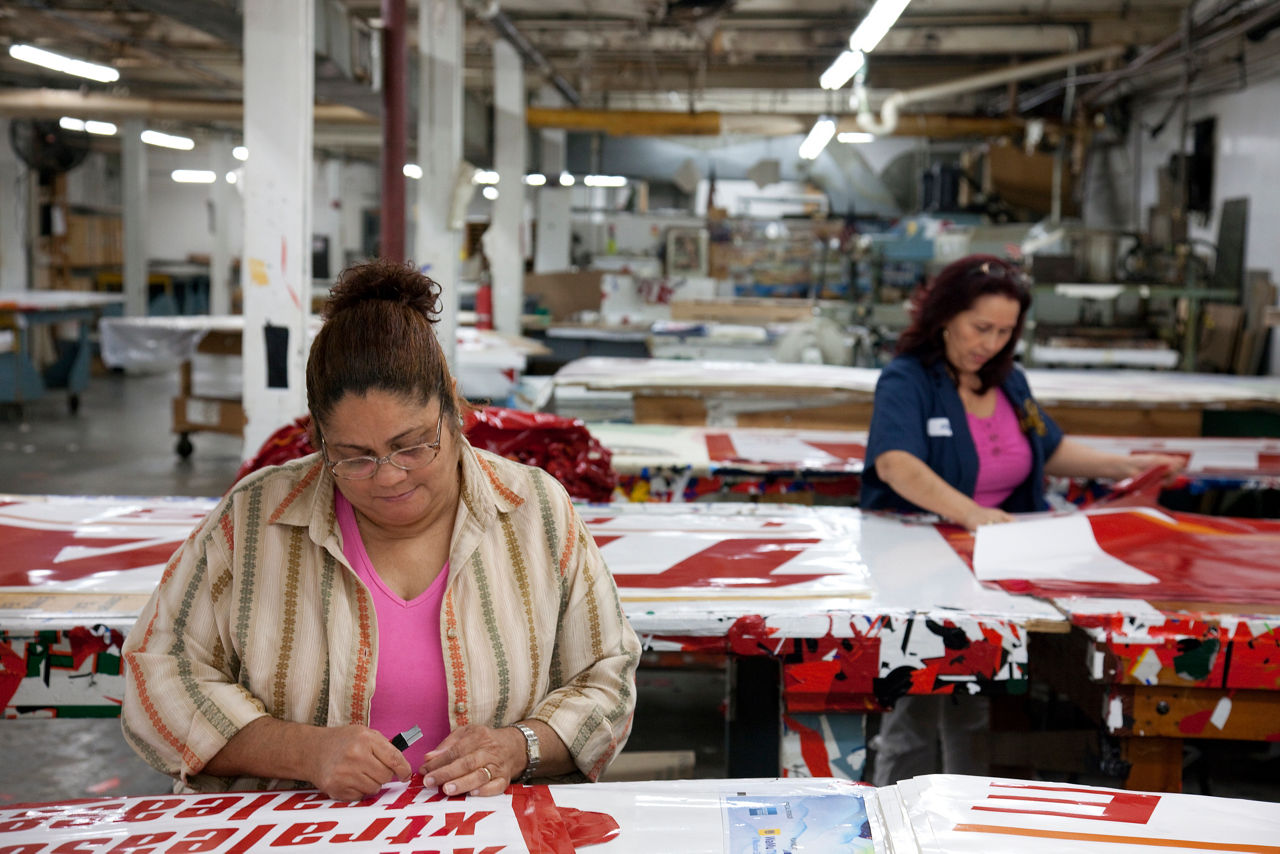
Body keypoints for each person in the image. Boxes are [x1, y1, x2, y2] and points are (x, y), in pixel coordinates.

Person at [122, 259, 641, 800]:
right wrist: (304, 751)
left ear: (454, 407)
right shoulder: (255, 520)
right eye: (355, 457)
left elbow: (607, 675)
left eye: (413, 445)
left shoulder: (535, 511)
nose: (390, 476)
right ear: (318, 439)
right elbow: (156, 675)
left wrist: (518, 746)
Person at [860, 253, 1183, 785]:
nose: (989, 343)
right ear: (945, 316)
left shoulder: (1010, 384)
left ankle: (965, 825)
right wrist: (972, 514)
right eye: (980, 327)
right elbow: (896, 463)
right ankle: (896, 814)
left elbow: (1048, 449)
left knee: (975, 706)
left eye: (1004, 332)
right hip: (918, 570)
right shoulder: (907, 380)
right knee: (915, 706)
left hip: (994, 570)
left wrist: (1129, 466)